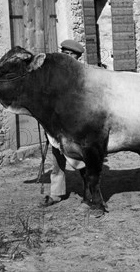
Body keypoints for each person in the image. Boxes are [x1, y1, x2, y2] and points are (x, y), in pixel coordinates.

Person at [41, 39, 86, 206]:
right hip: (57, 125)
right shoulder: (52, 76)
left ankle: (90, 191)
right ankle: (56, 194)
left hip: (77, 126)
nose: (67, 57)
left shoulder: (82, 76)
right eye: (64, 53)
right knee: (57, 159)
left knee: (83, 159)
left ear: (77, 57)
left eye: (71, 55)